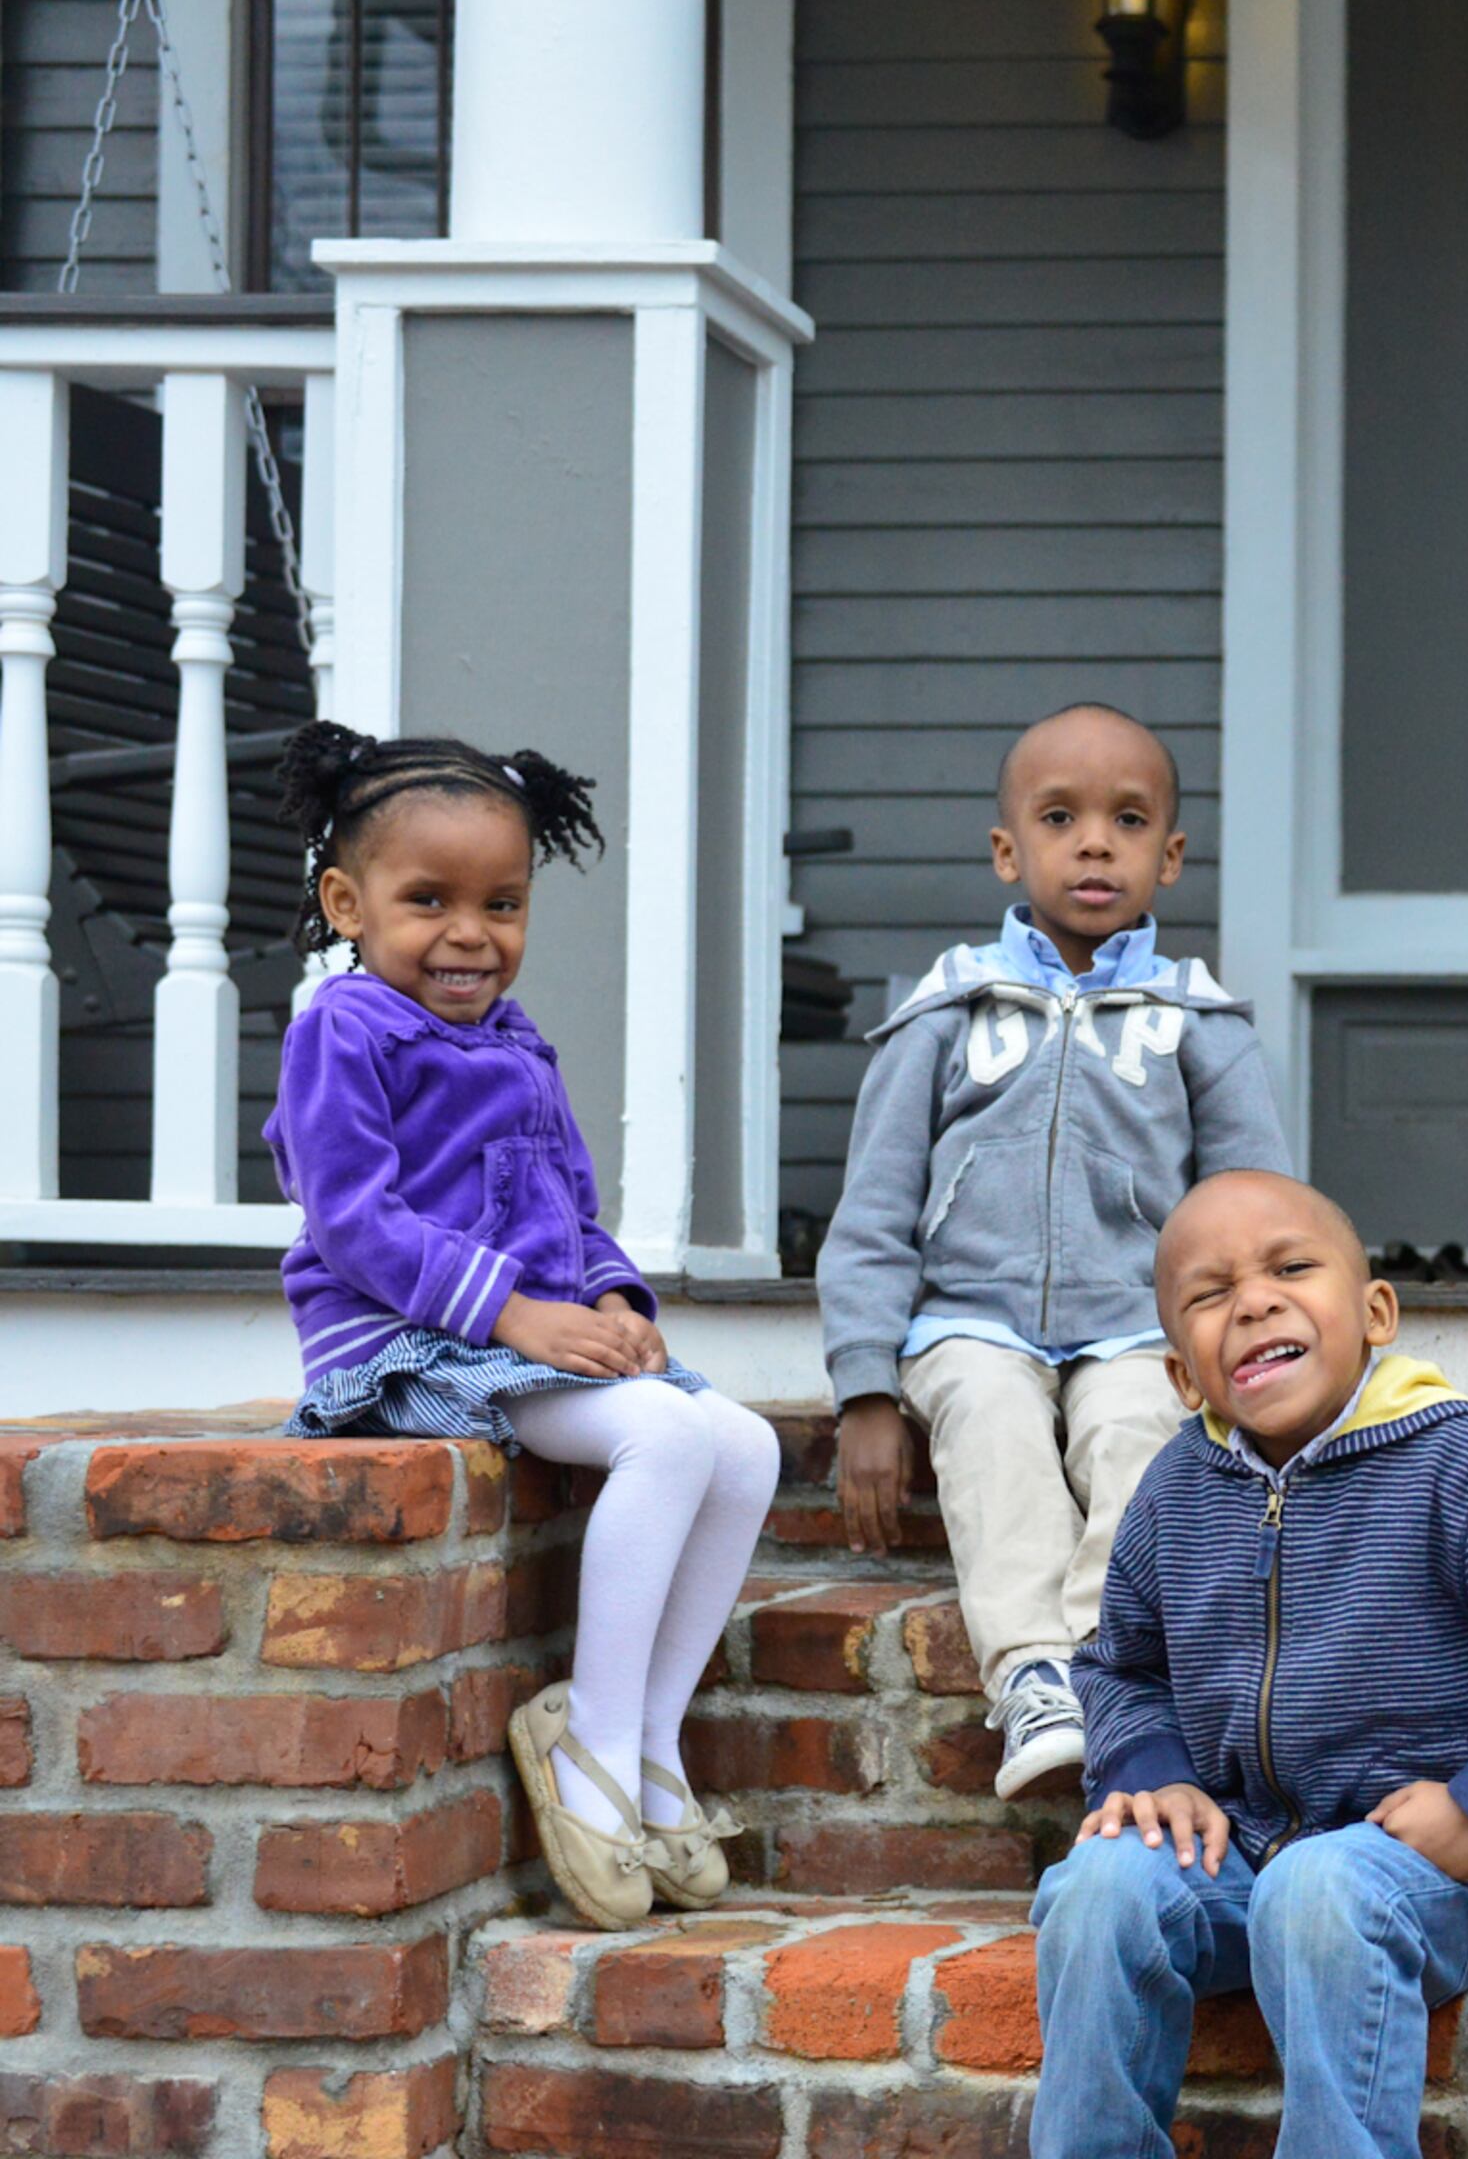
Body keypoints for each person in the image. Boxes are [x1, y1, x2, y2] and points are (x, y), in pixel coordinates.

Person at [1027, 1170, 1468, 2159]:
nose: (1253, 1301)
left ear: (1376, 1312)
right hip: (1233, 1854)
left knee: (1318, 1890)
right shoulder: (1176, 1490)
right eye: (1211, 1294)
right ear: (1183, 1375)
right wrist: (1151, 1773)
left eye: (1291, 1268)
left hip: (1409, 1874)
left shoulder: (1460, 1465)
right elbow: (1121, 1664)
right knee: (1096, 1890)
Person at [264, 721, 781, 1932]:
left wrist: (612, 1300)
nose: (469, 933)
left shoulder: (516, 1039)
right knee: (663, 1438)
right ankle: (588, 1745)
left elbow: (571, 1208)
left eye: (502, 903)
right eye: (427, 899)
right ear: (347, 902)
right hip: (406, 1344)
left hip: (526, 1331)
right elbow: (353, 1221)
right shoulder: (342, 1032)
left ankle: (650, 1741)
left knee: (746, 1445)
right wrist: (514, 1312)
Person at [815, 703, 1292, 1799]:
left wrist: (1249, 1357)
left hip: (1136, 1321)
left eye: (1127, 822)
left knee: (1137, 1429)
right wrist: (865, 1390)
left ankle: (1101, 1671)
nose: (1093, 844)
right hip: (966, 1322)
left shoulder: (1196, 1023)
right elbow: (874, 1214)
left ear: (1168, 858)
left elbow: (1256, 1219)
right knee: (990, 1422)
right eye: (1060, 818)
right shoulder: (946, 1013)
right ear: (1007, 849)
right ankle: (1031, 1675)